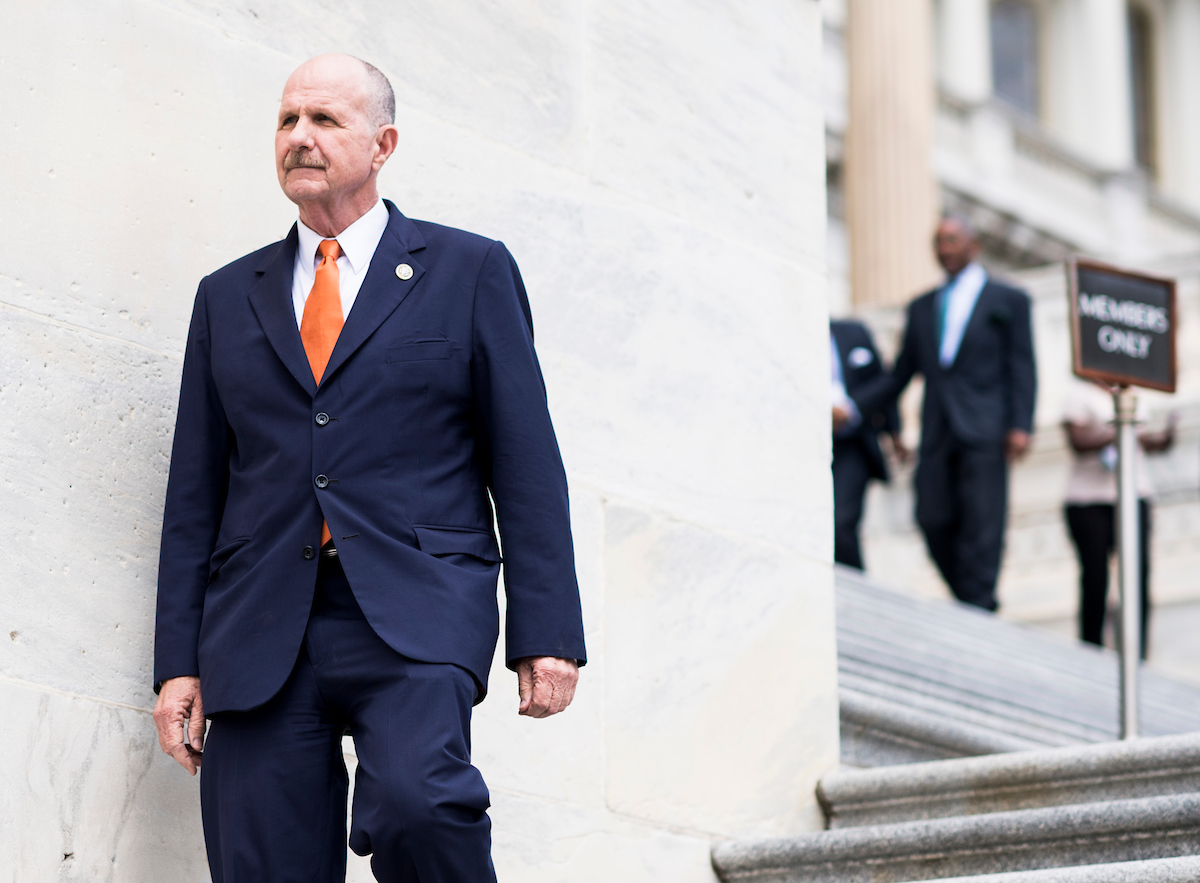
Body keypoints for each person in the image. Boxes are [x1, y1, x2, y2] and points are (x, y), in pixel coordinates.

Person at [151, 54, 586, 883]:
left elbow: (527, 461)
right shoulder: (225, 296)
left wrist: (548, 632)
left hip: (415, 608)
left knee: (425, 806)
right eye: (287, 120)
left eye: (324, 121)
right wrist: (180, 660)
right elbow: (193, 495)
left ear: (383, 143)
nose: (299, 138)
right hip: (259, 625)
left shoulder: (469, 270)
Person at [855, 215, 1036, 611]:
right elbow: (900, 374)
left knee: (983, 521)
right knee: (931, 515)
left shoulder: (1009, 300)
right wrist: (856, 407)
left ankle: (980, 601)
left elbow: (1022, 365)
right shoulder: (921, 307)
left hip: (987, 426)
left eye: (952, 239)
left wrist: (1021, 424)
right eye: (938, 241)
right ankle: (971, 599)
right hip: (938, 427)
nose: (944, 249)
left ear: (975, 245)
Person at [1062, 379, 1176, 657]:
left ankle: (1138, 654)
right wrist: (1122, 427)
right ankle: (1090, 649)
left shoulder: (1134, 393)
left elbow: (1144, 442)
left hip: (1134, 494)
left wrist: (1165, 437)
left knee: (1138, 576)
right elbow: (1078, 441)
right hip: (1089, 500)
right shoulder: (1079, 393)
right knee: (1095, 579)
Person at [830, 319, 904, 569]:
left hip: (852, 443)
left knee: (841, 522)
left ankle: (853, 592)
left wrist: (894, 431)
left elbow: (883, 382)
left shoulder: (853, 332)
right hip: (802, 449)